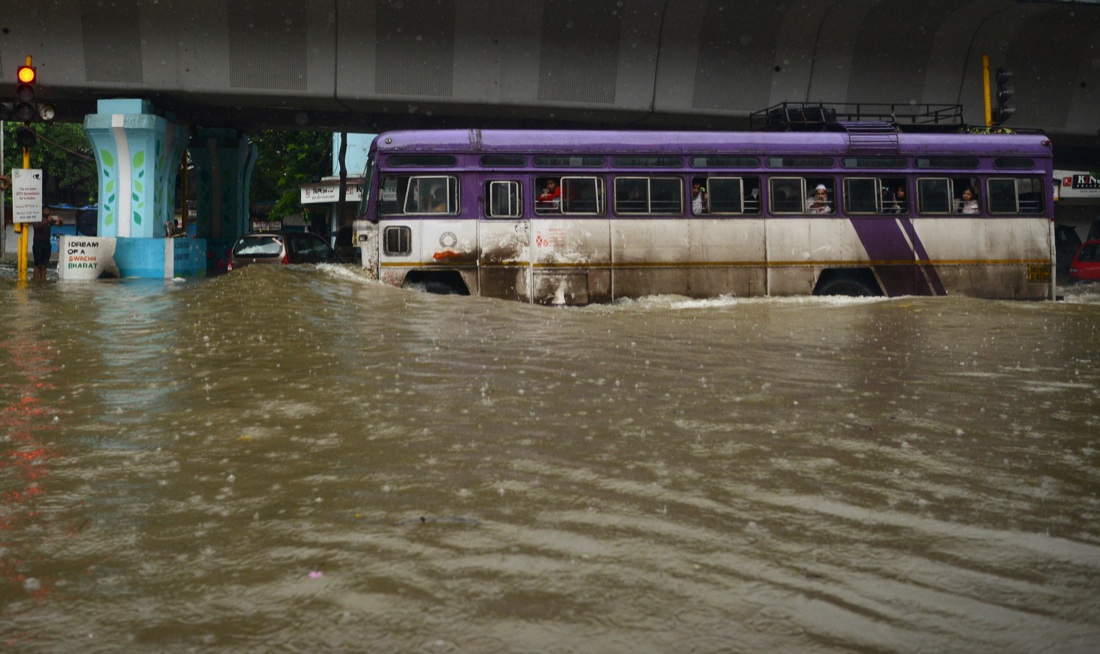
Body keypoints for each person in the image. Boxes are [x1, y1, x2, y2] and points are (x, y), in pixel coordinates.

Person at [33, 206, 61, 282]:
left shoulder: (50, 220)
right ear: (42, 211)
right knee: (37, 265)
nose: (47, 212)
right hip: (38, 244)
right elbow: (37, 226)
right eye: (46, 210)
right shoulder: (37, 218)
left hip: (47, 245)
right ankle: (36, 283)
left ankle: (43, 283)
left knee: (44, 266)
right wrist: (46, 221)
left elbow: (59, 224)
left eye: (48, 211)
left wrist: (60, 220)